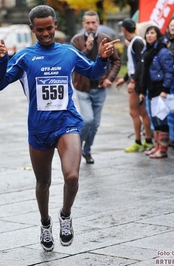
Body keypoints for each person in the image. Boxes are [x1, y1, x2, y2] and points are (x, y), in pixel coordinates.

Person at [0, 5, 119, 251]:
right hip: (39, 128)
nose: (45, 33)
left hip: (67, 123)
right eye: (40, 30)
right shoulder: (25, 57)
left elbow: (93, 72)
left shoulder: (68, 52)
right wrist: (2, 61)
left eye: (49, 28)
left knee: (71, 175)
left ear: (55, 26)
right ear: (33, 30)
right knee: (43, 182)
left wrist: (102, 58)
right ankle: (45, 223)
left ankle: (66, 215)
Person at [70, 11, 121, 163]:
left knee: (96, 124)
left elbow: (117, 61)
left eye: (94, 22)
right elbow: (73, 62)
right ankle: (76, 145)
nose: (91, 26)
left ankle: (87, 150)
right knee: (88, 120)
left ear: (98, 23)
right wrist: (87, 48)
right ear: (83, 24)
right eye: (88, 23)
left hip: (100, 87)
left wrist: (110, 78)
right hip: (82, 87)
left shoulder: (106, 39)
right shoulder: (76, 40)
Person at [135, 25, 174, 159]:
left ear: (157, 35)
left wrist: (165, 90)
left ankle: (163, 150)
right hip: (150, 89)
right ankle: (157, 147)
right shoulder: (147, 50)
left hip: (160, 88)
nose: (149, 36)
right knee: (155, 120)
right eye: (147, 33)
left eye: (152, 33)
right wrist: (142, 90)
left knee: (161, 119)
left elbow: (169, 72)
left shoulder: (163, 51)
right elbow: (144, 72)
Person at [116, 18, 153, 153]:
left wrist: (133, 81)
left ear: (124, 29)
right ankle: (148, 140)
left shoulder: (136, 42)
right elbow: (134, 65)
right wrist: (125, 78)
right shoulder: (135, 42)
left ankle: (138, 141)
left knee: (134, 112)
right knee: (142, 112)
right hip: (138, 79)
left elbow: (140, 63)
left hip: (137, 81)